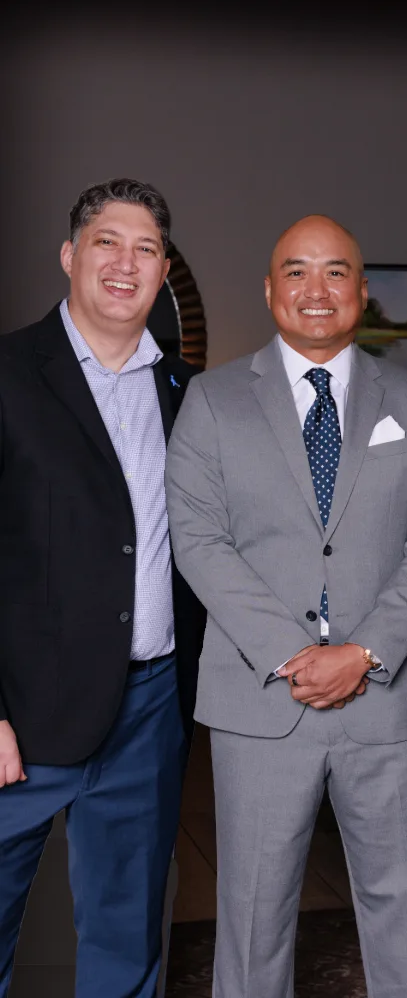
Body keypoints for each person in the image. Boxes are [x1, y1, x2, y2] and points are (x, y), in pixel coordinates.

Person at [165, 214, 407, 998]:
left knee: (404, 909)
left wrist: (361, 653)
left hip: (387, 702)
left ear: (362, 292)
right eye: (296, 271)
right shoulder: (213, 400)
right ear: (269, 290)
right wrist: (296, 656)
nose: (317, 289)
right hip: (261, 700)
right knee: (254, 916)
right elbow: (198, 541)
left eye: (336, 272)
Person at [0, 178, 204, 997]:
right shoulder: (8, 373)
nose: (125, 263)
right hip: (19, 719)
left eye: (145, 248)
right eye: (106, 243)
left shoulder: (190, 393)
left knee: (127, 942)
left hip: (148, 709)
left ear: (162, 270)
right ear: (69, 256)